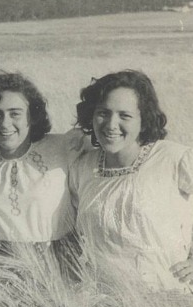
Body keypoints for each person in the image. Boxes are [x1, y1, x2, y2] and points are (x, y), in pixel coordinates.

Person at [70, 70, 193, 291]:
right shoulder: (82, 167)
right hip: (102, 304)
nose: (111, 124)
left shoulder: (174, 159)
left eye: (124, 116)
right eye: (103, 113)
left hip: (168, 299)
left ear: (144, 121)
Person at [0, 72, 84, 271]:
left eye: (15, 113)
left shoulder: (64, 146)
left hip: (59, 267)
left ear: (32, 116)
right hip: (1, 272)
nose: (5, 124)